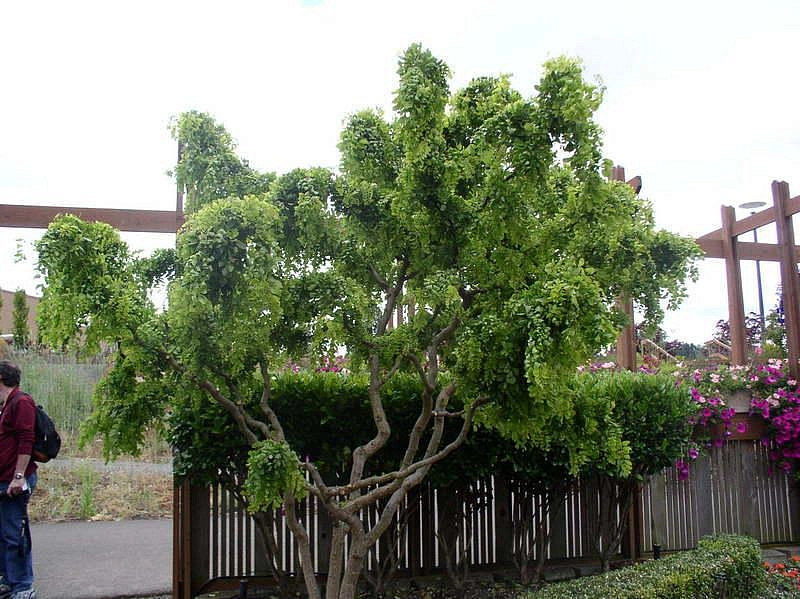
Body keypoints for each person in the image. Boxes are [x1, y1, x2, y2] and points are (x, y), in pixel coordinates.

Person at [0, 361, 37, 599]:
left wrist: (18, 477)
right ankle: (8, 581)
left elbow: (26, 440)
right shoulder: (6, 404)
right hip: (4, 479)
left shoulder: (21, 402)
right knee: (3, 533)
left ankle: (23, 586)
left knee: (15, 533)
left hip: (15, 480)